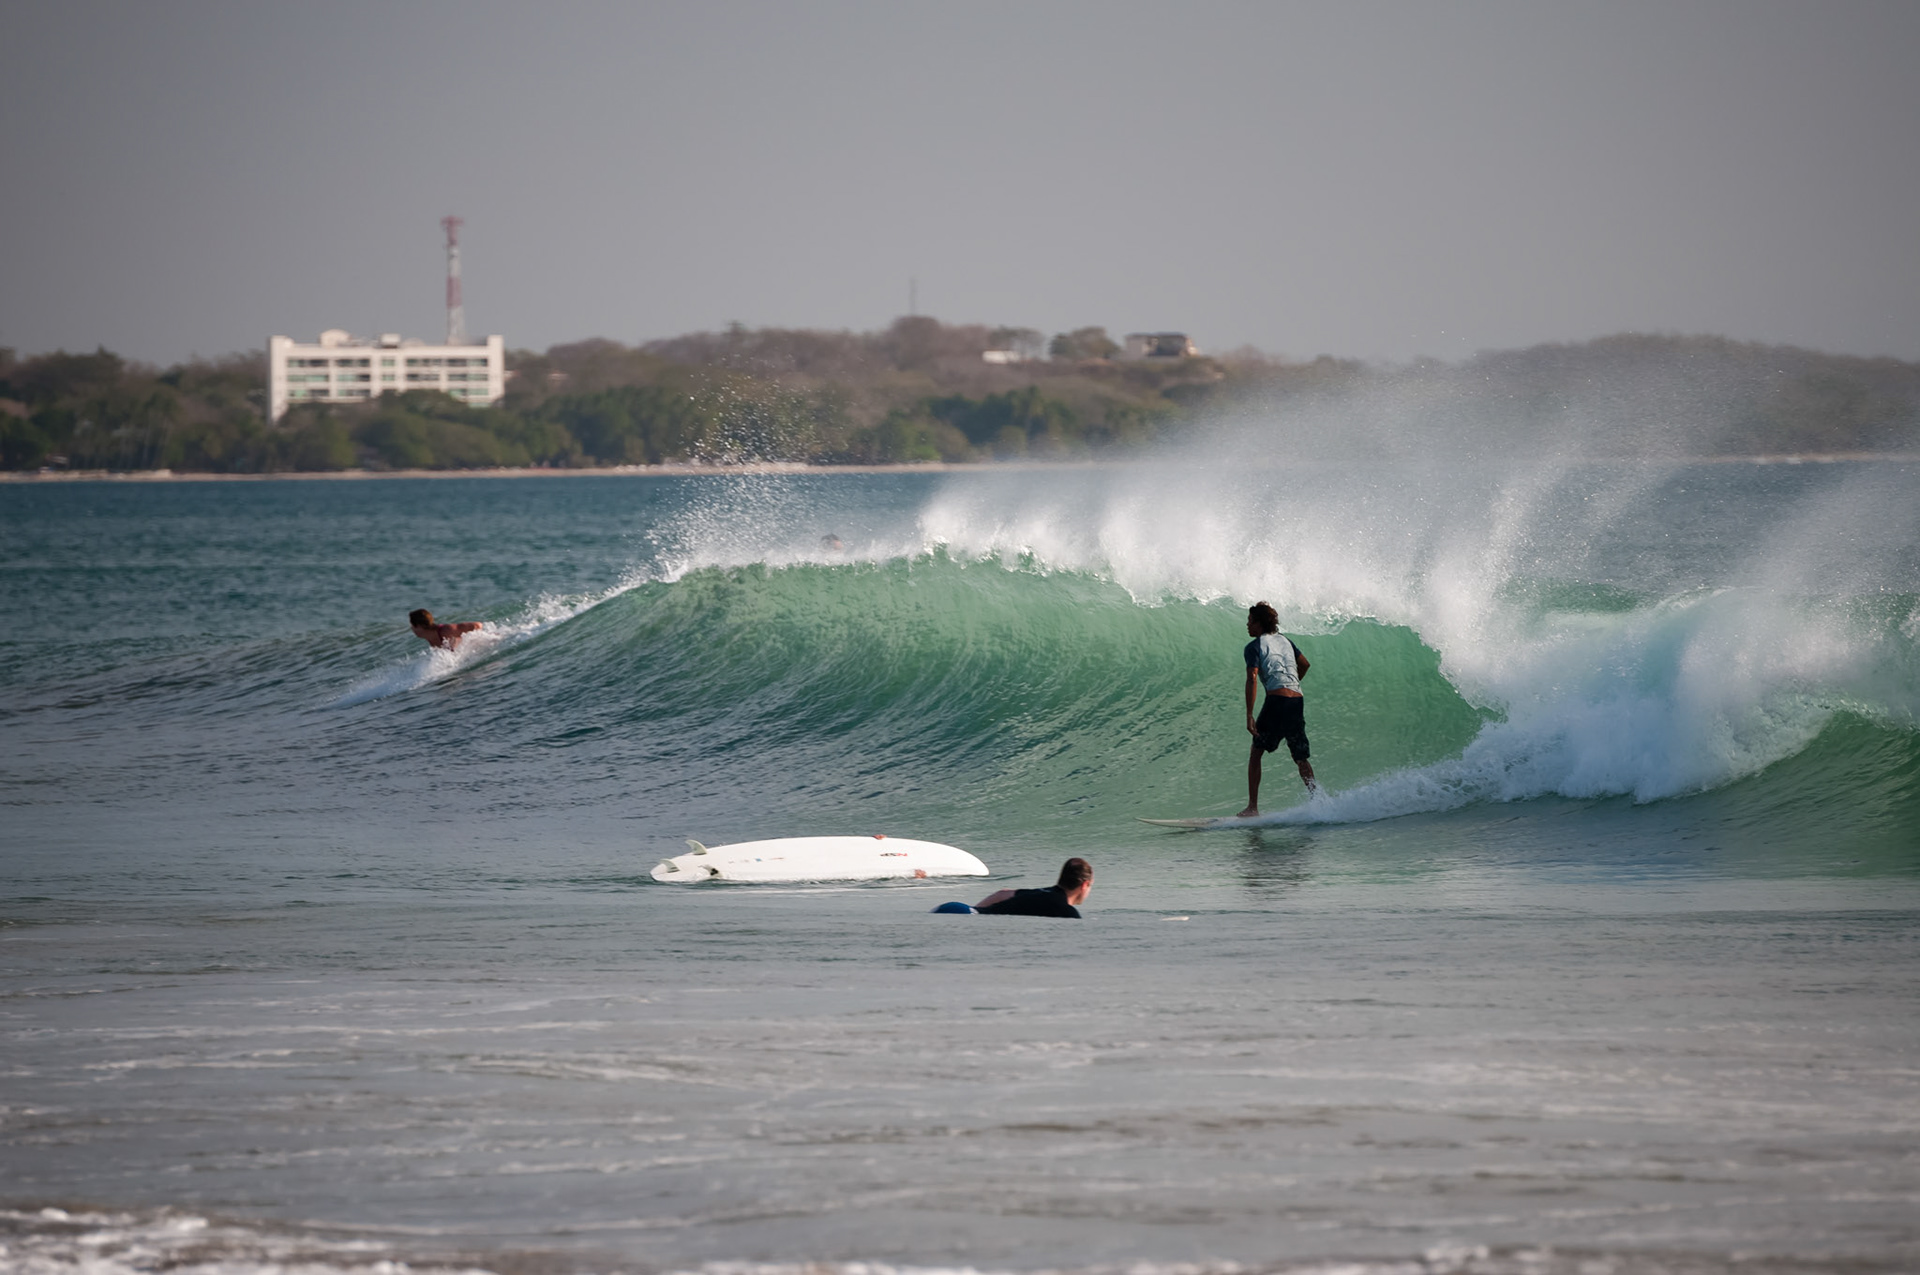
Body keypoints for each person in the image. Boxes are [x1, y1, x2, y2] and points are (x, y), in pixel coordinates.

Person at [1240, 601, 1316, 816]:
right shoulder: (1286, 641)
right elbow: (1305, 665)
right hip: (1296, 701)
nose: (1247, 625)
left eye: (1250, 621)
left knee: (1256, 752)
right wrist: (1291, 681)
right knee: (1300, 757)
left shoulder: (1254, 647)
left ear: (1259, 623)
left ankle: (1252, 808)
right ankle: (1317, 800)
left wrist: (1249, 715)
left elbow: (1252, 678)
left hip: (1277, 702)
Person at [974, 857, 1093, 918]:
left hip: (965, 909)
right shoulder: (1068, 912)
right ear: (1084, 885)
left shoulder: (1043, 892)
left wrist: (975, 912)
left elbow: (1001, 894)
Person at [409, 608, 483, 651]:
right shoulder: (430, 638)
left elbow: (477, 625)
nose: (411, 628)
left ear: (420, 626)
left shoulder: (446, 631)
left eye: (412, 625)